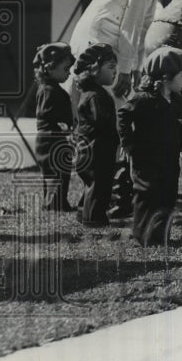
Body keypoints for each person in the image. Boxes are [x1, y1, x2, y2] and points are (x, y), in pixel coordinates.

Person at [117, 47, 182, 246]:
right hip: (146, 159)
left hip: (169, 159)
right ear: (166, 76)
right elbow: (123, 115)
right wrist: (128, 144)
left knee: (168, 195)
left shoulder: (178, 101)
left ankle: (162, 235)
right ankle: (142, 235)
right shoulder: (142, 99)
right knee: (147, 196)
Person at [72, 44, 120, 227]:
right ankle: (94, 219)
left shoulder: (93, 93)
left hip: (90, 150)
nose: (114, 72)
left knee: (92, 185)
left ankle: (83, 213)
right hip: (96, 151)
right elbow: (103, 122)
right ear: (94, 69)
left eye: (115, 68)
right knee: (99, 186)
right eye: (110, 67)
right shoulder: (95, 96)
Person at [33, 42, 76, 211]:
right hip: (50, 139)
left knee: (59, 172)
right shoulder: (49, 90)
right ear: (50, 68)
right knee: (55, 172)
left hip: (53, 137)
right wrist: (64, 125)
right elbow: (46, 114)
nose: (69, 73)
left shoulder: (51, 88)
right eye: (66, 69)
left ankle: (58, 202)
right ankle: (53, 204)